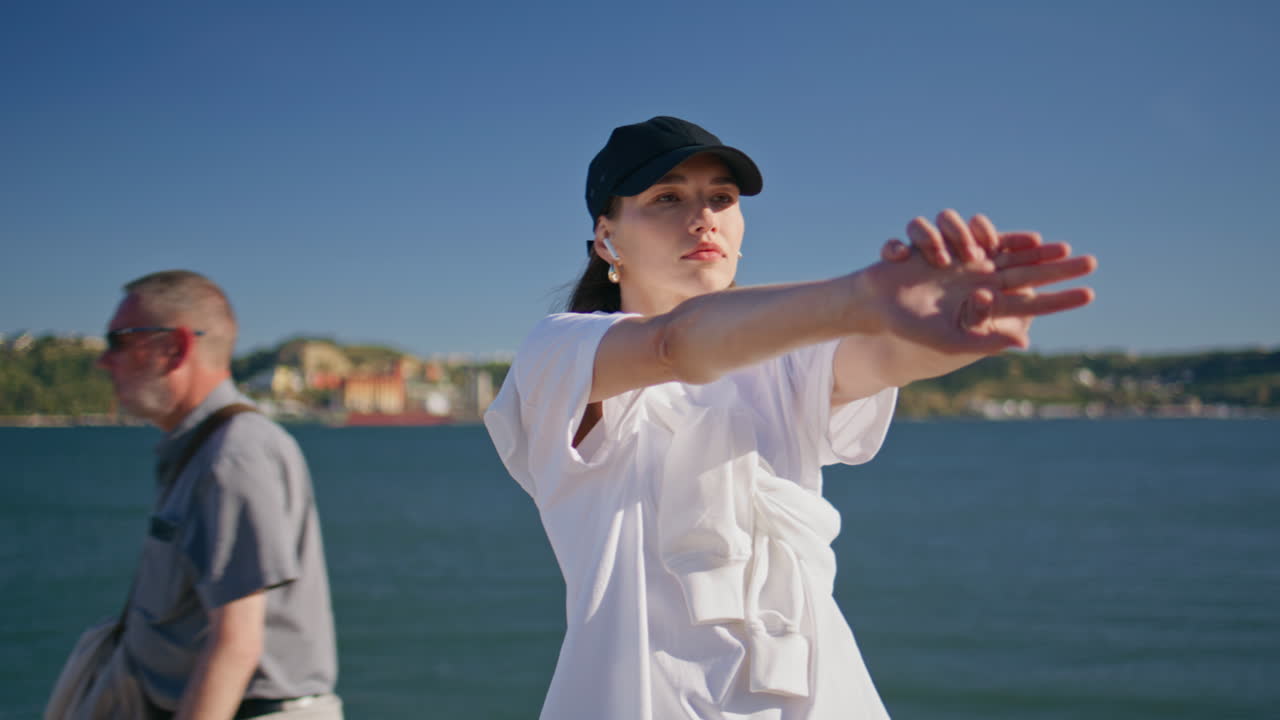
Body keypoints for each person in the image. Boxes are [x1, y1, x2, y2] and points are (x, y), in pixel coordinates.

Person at [483, 116, 1097, 719]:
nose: (703, 218)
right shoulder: (562, 352)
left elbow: (881, 357)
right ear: (606, 237)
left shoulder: (787, 360)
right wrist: (860, 299)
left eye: (720, 198)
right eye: (666, 198)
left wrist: (960, 327)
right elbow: (673, 345)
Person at [95, 270, 342, 719]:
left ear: (176, 348)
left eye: (119, 341)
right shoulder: (206, 449)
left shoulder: (234, 455)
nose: (104, 361)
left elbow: (236, 644)